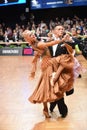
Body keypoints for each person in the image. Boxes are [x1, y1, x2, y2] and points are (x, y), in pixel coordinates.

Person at [22, 29, 75, 119]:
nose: (33, 35)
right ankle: (46, 108)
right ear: (28, 38)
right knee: (47, 87)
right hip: (49, 65)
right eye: (30, 35)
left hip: (48, 64)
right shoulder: (39, 44)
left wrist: (33, 69)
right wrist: (62, 40)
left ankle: (46, 109)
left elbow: (37, 55)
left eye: (32, 33)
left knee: (46, 87)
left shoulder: (35, 44)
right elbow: (50, 44)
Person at [48, 24, 76, 118]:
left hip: (62, 70)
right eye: (59, 29)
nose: (61, 30)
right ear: (54, 31)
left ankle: (63, 110)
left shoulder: (66, 42)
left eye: (62, 29)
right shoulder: (50, 42)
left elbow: (73, 46)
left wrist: (70, 41)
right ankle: (53, 105)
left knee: (59, 90)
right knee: (55, 89)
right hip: (52, 70)